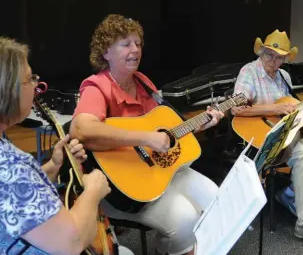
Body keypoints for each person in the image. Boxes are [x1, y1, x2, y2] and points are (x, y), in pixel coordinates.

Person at [69, 15, 225, 255]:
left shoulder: (143, 82)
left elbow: (165, 129)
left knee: (214, 198)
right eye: (125, 44)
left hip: (159, 171)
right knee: (185, 220)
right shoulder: (96, 86)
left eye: (138, 44)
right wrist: (144, 138)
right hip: (122, 188)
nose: (135, 50)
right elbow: (81, 129)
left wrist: (199, 125)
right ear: (106, 52)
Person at [0, 35, 136, 255]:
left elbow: (17, 199)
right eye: (30, 79)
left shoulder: (1, 147)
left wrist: (52, 166)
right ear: (6, 90)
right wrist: (93, 190)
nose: (37, 86)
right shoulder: (7, 164)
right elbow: (71, 242)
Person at [231, 30, 303, 240]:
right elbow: (237, 110)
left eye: (279, 57)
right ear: (261, 52)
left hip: (288, 133)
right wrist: (275, 109)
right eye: (269, 54)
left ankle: (291, 196)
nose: (274, 61)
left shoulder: (284, 76)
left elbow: (295, 108)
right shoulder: (249, 72)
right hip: (264, 136)